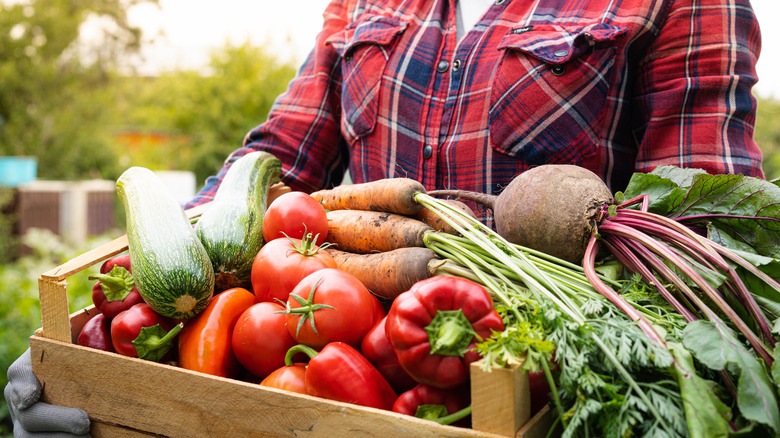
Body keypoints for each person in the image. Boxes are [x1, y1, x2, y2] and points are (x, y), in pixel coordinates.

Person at [5, 0, 765, 435]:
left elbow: (699, 217)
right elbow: (276, 161)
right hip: (343, 375)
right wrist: (94, 336)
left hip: (535, 380)